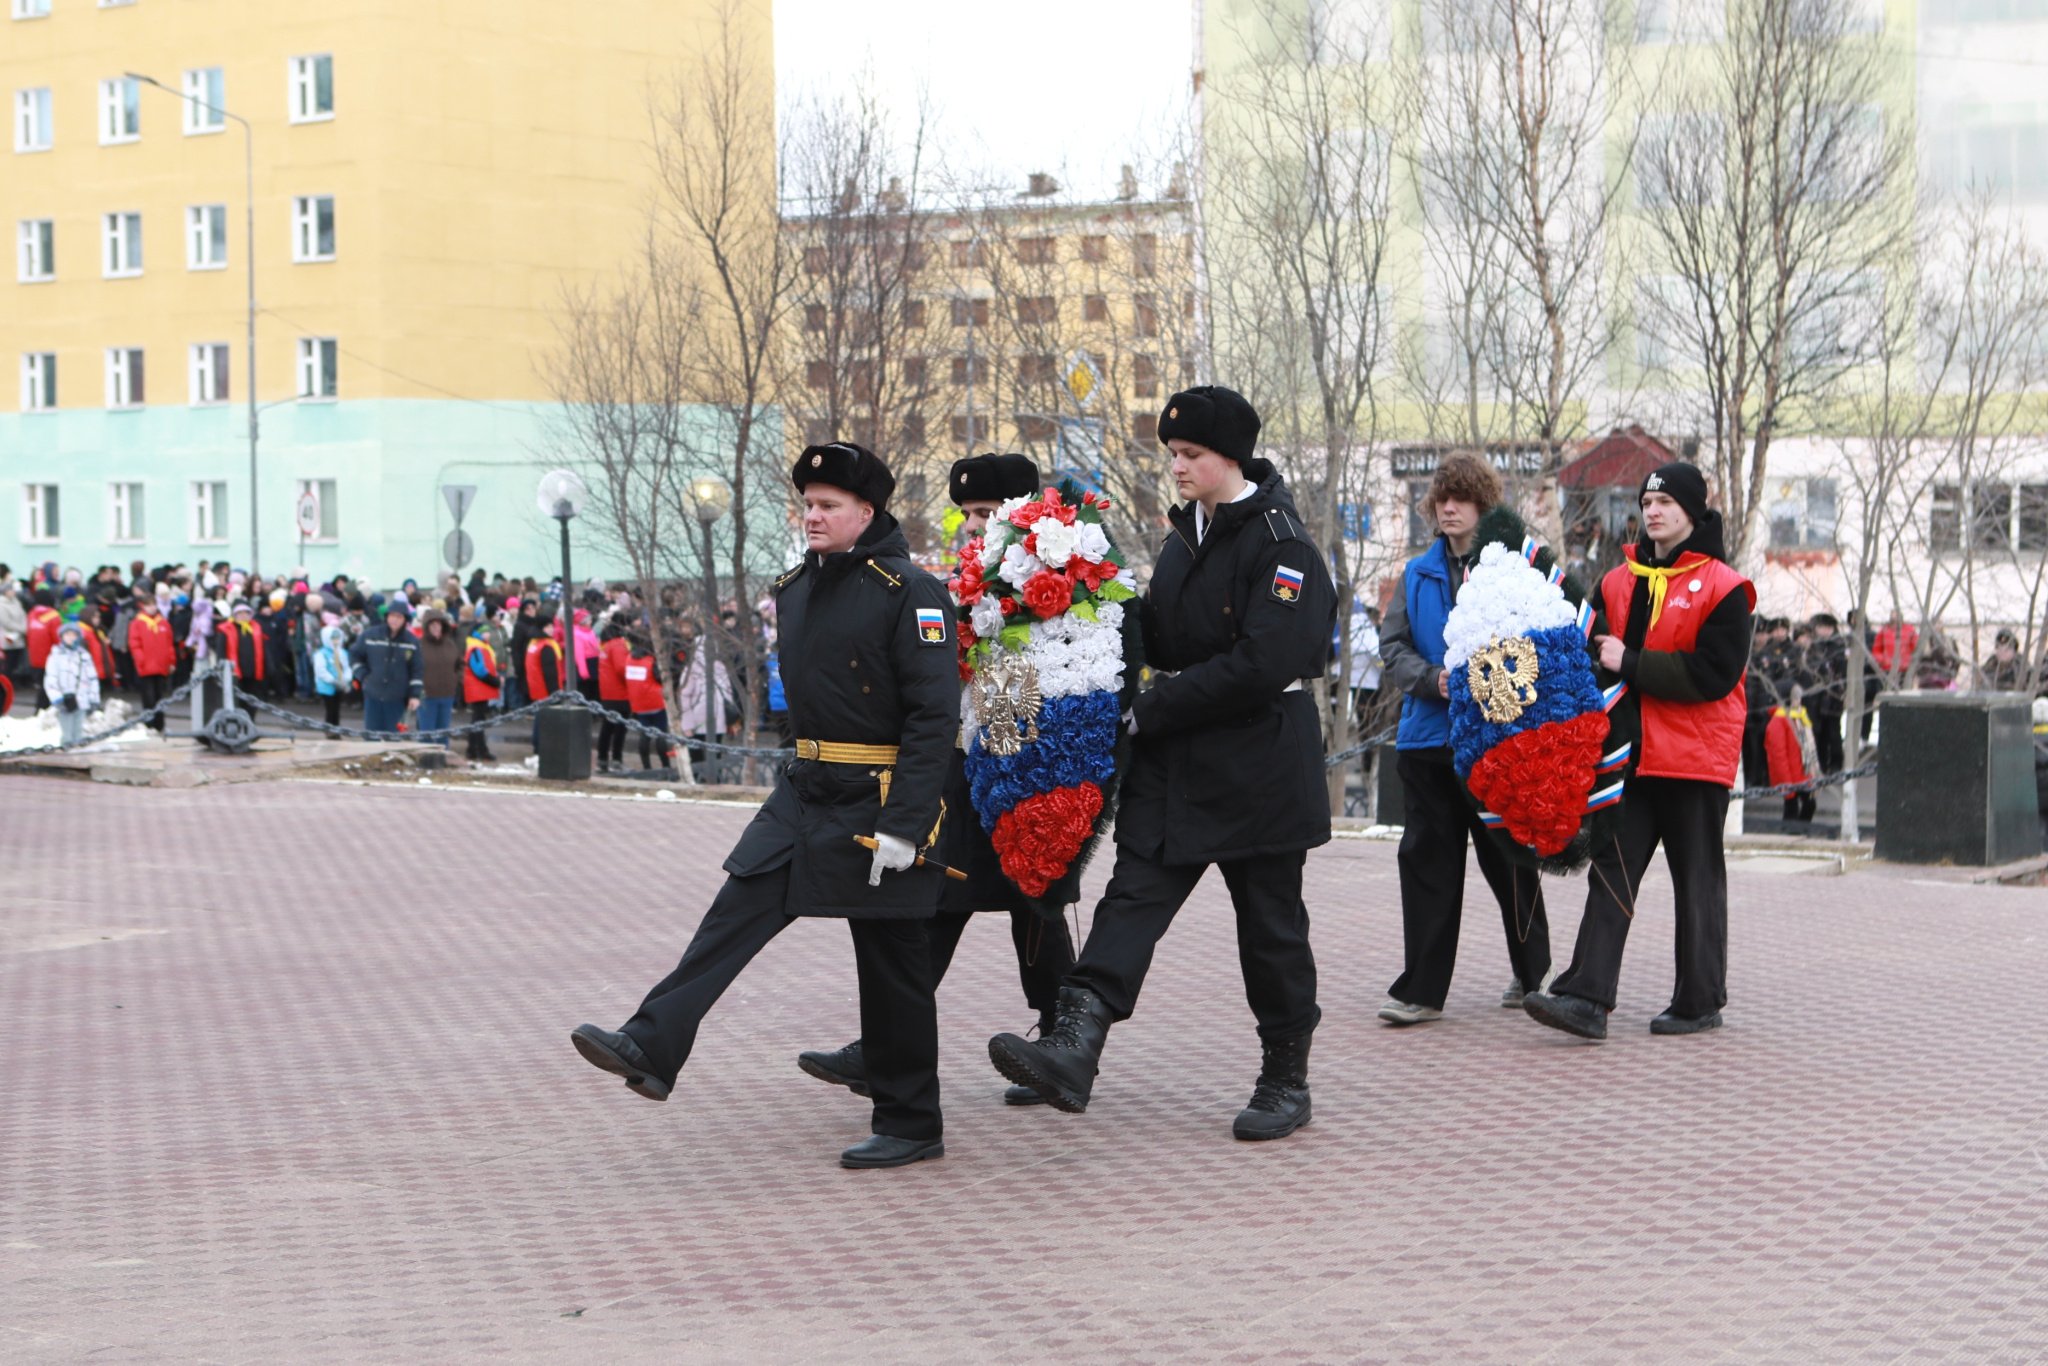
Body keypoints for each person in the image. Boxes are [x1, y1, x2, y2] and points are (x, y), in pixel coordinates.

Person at [571, 439, 959, 1169]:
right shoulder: (797, 587)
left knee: (892, 963)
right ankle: (652, 1043)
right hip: (805, 791)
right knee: (735, 907)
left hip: (879, 799)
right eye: (807, 504)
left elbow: (934, 717)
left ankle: (911, 1122)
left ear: (867, 512)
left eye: (829, 505)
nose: (812, 515)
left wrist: (907, 824)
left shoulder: (910, 592)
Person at [986, 385, 1336, 1141]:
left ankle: (1285, 1077)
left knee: (1270, 929)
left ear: (1230, 457)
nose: (1176, 466)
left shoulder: (1281, 544)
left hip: (1259, 765)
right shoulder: (1186, 537)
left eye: (1191, 454)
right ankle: (1075, 1047)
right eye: (1173, 453)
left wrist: (1158, 705)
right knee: (1131, 900)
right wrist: (1074, 607)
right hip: (1178, 761)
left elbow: (1266, 660)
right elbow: (1160, 636)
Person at [798, 451, 1078, 1109]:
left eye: (987, 512)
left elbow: (1050, 683)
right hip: (959, 765)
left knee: (1033, 904)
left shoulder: (1055, 583)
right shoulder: (959, 581)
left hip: (1023, 766)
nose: (973, 525)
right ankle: (887, 1043)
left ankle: (1063, 1041)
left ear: (1024, 514)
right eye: (967, 514)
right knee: (943, 899)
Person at [1524, 460, 1755, 1041]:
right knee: (1611, 872)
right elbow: (1592, 658)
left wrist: (1629, 661)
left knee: (1697, 882)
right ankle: (1585, 998)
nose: (1652, 511)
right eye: (1647, 503)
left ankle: (1699, 1001)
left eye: (1665, 503)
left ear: (1693, 512)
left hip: (1695, 761)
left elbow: (1713, 676)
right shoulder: (1617, 581)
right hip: (1632, 757)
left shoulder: (1726, 588)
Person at [1374, 453, 1552, 1026]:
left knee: (1511, 862)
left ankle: (1535, 976)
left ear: (1482, 505)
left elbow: (1541, 642)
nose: (1448, 508)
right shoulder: (1417, 573)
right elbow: (1392, 646)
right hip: (1427, 742)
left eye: (1461, 499)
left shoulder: (1513, 569)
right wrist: (1433, 680)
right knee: (1427, 866)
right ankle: (1422, 992)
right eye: (1441, 499)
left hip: (1496, 743)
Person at [350, 600, 424, 737]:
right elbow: (354, 655)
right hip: (373, 695)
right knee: (372, 737)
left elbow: (417, 670)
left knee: (393, 739)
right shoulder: (370, 635)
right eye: (392, 615)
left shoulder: (412, 642)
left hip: (397, 698)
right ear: (387, 617)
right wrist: (363, 675)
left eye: (399, 617)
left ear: (405, 620)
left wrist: (415, 695)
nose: (395, 620)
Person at [1766, 684, 1818, 825]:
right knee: (1791, 812)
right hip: (1790, 778)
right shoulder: (1778, 722)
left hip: (1802, 775)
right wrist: (1787, 786)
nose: (1799, 701)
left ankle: (1800, 832)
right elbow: (1778, 757)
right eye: (1795, 698)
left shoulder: (1799, 717)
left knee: (1809, 805)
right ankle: (1793, 834)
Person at [44, 620, 101, 747]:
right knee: (67, 734)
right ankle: (67, 752)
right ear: (62, 637)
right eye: (67, 635)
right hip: (65, 700)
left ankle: (77, 751)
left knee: (79, 731)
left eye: (73, 635)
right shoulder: (56, 656)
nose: (71, 638)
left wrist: (94, 699)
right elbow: (51, 680)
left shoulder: (84, 655)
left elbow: (92, 678)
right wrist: (58, 699)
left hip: (82, 699)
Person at [621, 630, 671, 770]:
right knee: (661, 734)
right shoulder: (651, 660)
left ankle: (646, 767)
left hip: (638, 703)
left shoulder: (629, 658)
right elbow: (660, 678)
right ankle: (665, 765)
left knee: (644, 735)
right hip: (656, 701)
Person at [128, 595, 177, 731]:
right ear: (143, 606)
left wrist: (171, 661)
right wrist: (140, 659)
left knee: (159, 696)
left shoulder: (163, 623)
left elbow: (169, 644)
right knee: (148, 697)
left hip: (161, 665)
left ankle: (160, 724)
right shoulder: (137, 623)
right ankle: (149, 724)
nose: (152, 608)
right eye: (149, 605)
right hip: (146, 665)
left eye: (154, 605)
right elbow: (134, 643)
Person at [415, 608, 463, 746]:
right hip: (426, 697)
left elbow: (460, 664)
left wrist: (456, 679)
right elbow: (412, 668)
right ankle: (426, 758)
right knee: (426, 735)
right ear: (426, 627)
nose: (436, 627)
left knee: (443, 734)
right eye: (432, 624)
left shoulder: (450, 644)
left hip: (447, 695)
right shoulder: (419, 645)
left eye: (439, 624)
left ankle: (442, 757)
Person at [461, 617, 502, 762]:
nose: (488, 634)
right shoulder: (476, 648)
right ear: (478, 633)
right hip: (478, 688)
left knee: (477, 719)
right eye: (485, 632)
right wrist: (494, 681)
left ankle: (473, 749)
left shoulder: (479, 647)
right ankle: (480, 749)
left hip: (480, 688)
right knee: (478, 720)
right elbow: (479, 670)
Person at [596, 618, 633, 773]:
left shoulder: (606, 645)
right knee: (619, 729)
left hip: (608, 692)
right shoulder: (618, 645)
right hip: (620, 693)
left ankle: (602, 759)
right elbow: (621, 669)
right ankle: (616, 760)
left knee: (607, 728)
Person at [26, 588, 62, 707]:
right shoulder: (54, 616)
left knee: (42, 684)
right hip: (50, 657)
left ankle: (41, 708)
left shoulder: (32, 614)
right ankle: (42, 709)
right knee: (49, 686)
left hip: (34, 657)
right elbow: (58, 638)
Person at [311, 624, 352, 728]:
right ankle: (330, 730)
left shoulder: (342, 653)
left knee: (337, 709)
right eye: (333, 638)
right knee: (331, 709)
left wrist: (346, 679)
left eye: (337, 638)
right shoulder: (321, 654)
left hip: (340, 685)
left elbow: (347, 667)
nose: (336, 641)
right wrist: (333, 681)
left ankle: (336, 728)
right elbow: (321, 671)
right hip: (327, 687)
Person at [218, 601, 267, 687]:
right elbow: (221, 650)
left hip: (253, 669)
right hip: (236, 668)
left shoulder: (256, 627)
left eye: (246, 613)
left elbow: (263, 648)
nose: (243, 615)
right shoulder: (227, 629)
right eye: (240, 613)